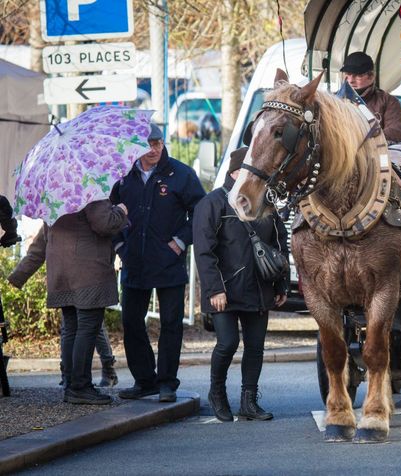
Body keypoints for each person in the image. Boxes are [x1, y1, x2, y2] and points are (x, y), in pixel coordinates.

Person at [110, 124, 206, 402]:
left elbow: (199, 212)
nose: (154, 150)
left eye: (158, 143)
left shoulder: (180, 174)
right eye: (149, 144)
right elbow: (108, 211)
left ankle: (166, 382)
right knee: (131, 321)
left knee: (171, 324)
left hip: (168, 263)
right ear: (137, 147)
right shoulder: (123, 177)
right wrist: (119, 245)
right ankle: (144, 380)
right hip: (134, 262)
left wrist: (180, 241)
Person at [193, 147, 289, 422]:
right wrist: (214, 290)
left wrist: (282, 285)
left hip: (259, 289)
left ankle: (249, 401)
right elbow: (203, 252)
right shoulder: (212, 204)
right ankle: (217, 394)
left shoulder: (264, 203)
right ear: (236, 171)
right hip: (224, 291)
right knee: (228, 343)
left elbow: (279, 245)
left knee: (255, 346)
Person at [8, 200, 128, 404]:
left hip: (62, 276)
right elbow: (105, 224)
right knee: (87, 328)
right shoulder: (89, 192)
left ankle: (71, 383)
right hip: (88, 274)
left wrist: (17, 276)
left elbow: (39, 247)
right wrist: (121, 211)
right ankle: (80, 386)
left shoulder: (56, 201)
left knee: (71, 328)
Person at [340, 51, 401, 143]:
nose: (351, 80)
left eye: (358, 75)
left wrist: (367, 138)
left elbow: (399, 130)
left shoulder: (388, 101)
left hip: (374, 154)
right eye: (348, 74)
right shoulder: (335, 100)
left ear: (371, 76)